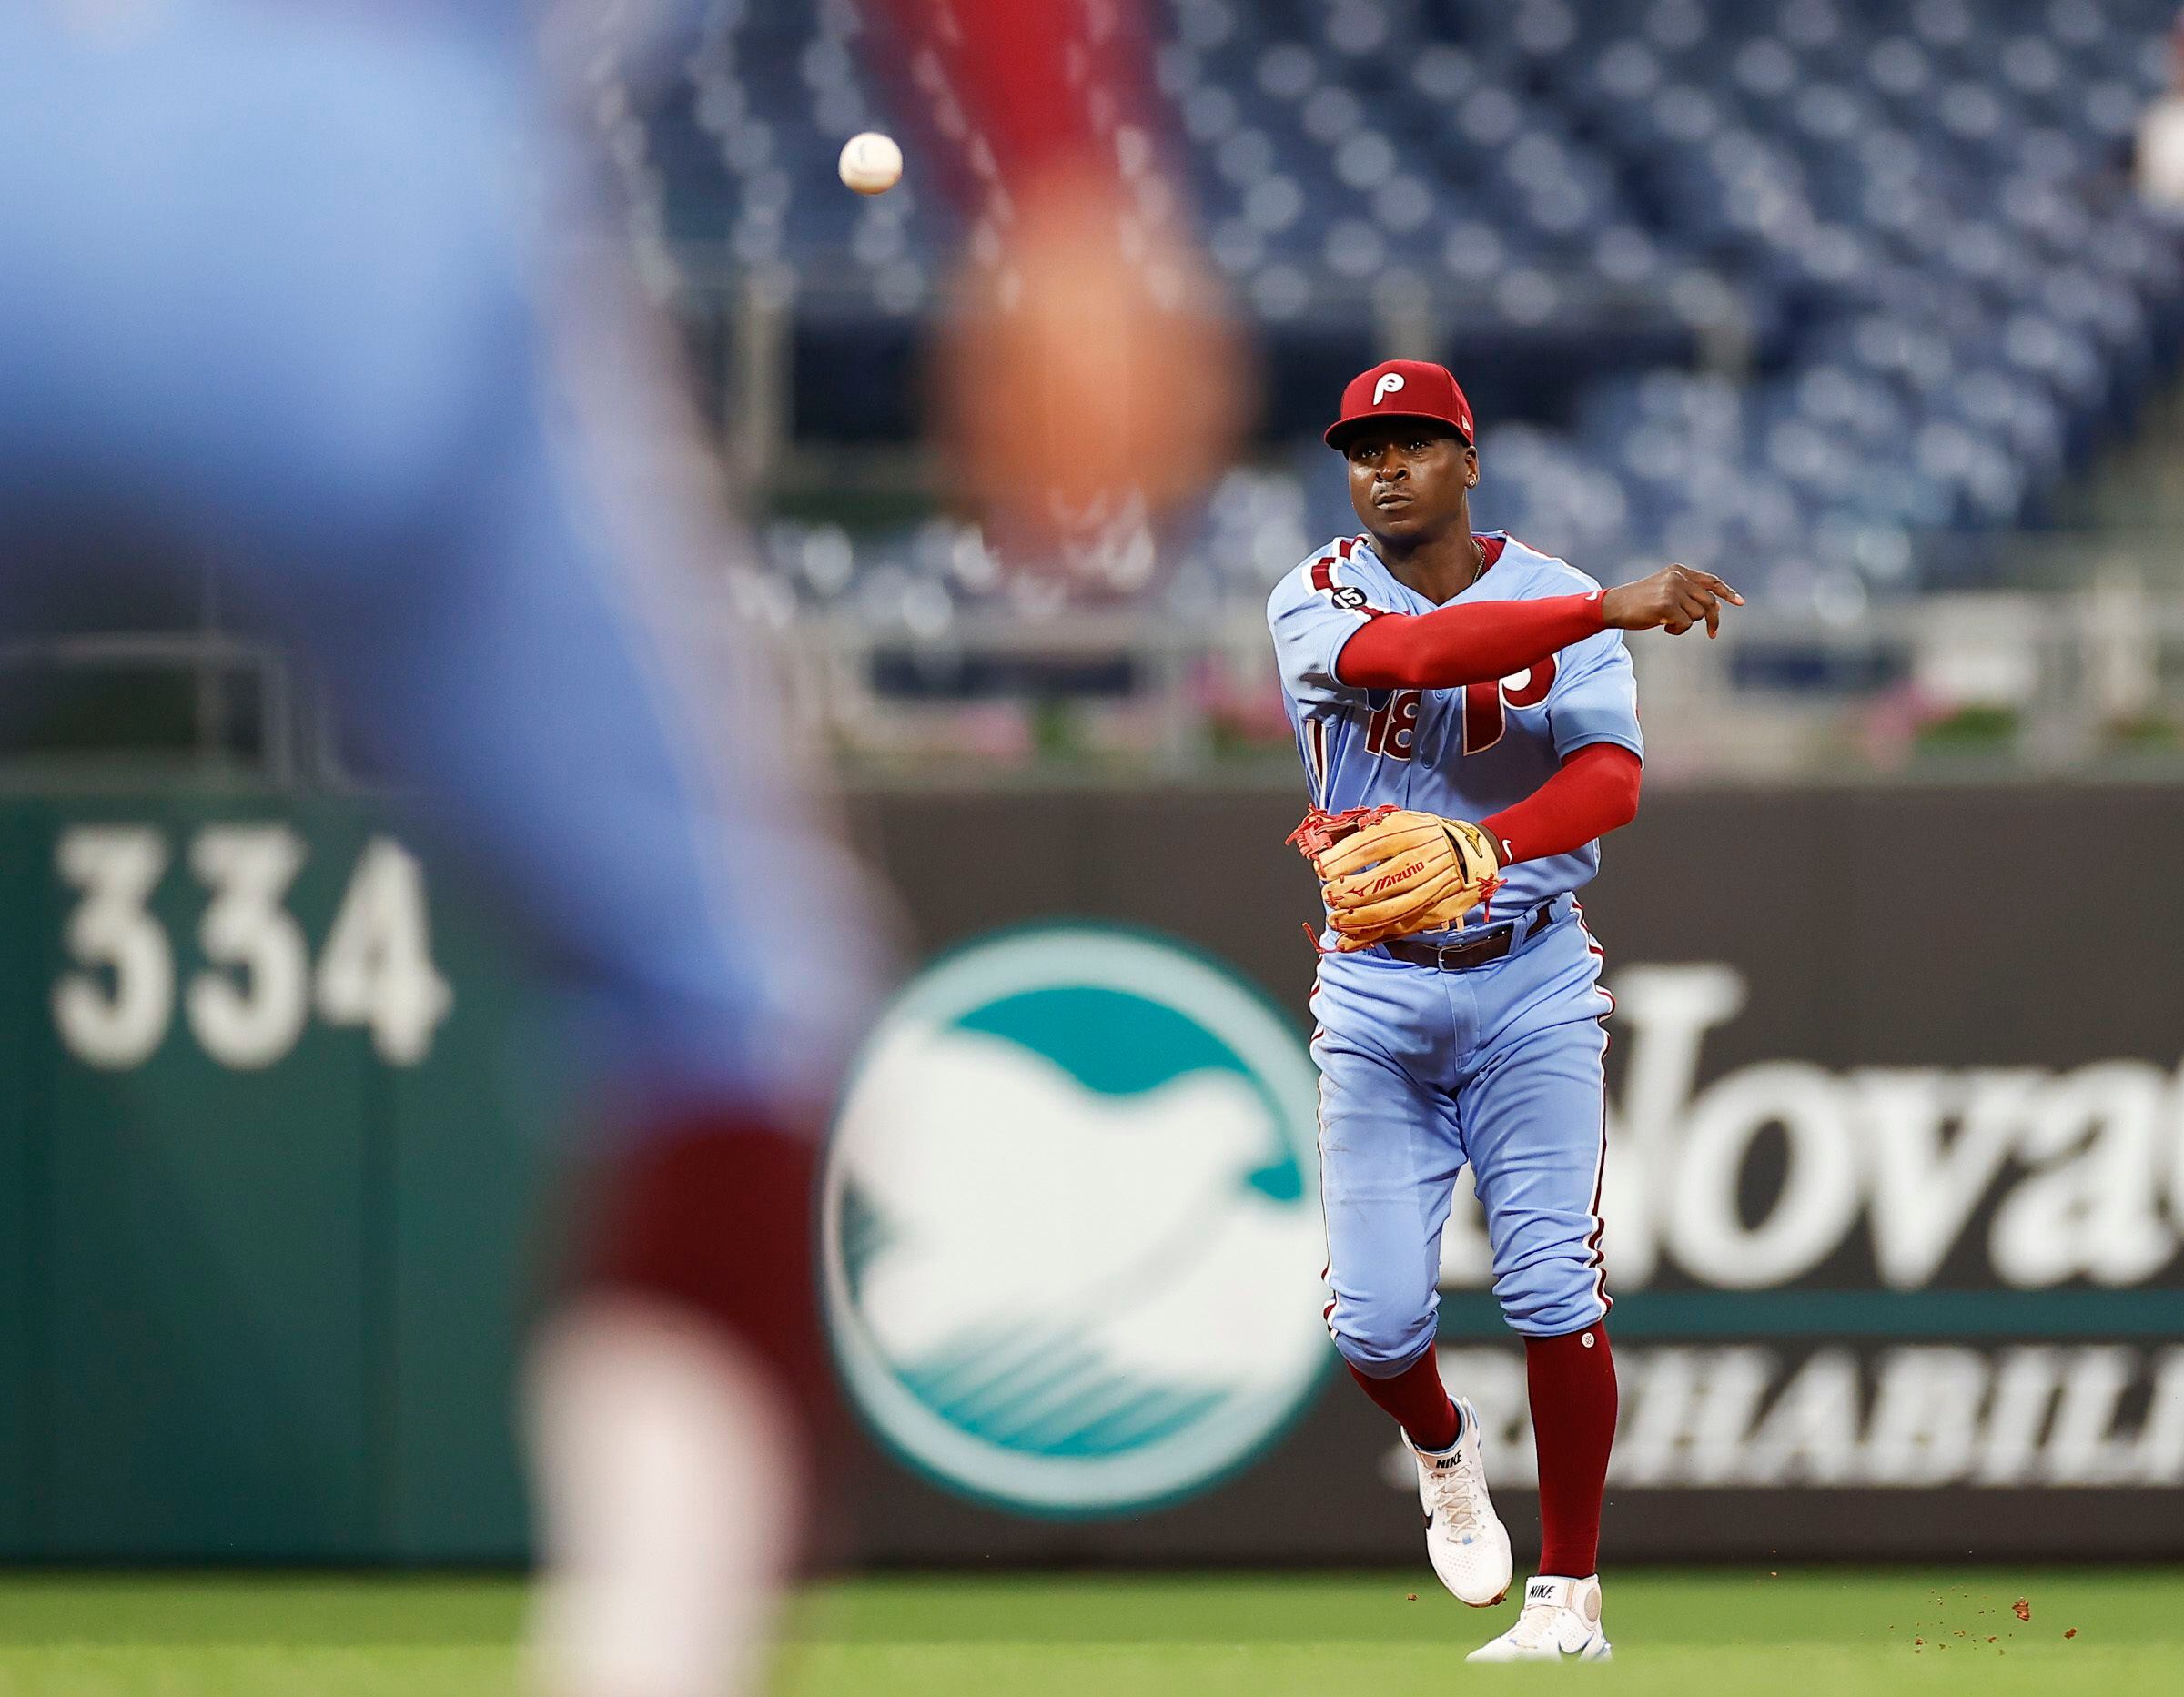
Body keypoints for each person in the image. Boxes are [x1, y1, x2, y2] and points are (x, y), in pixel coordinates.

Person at [1266, 360, 1740, 1662]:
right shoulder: (1312, 595)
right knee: (1371, 1323)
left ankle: (1569, 1599)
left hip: (1529, 971)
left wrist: (1494, 847)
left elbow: (1609, 782)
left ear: (1468, 461)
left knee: (1551, 1284)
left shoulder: (1550, 591)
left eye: (1415, 442)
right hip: (1374, 990)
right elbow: (1416, 653)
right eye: (1365, 448)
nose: (1386, 467)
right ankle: (1443, 1445)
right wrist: (1606, 604)